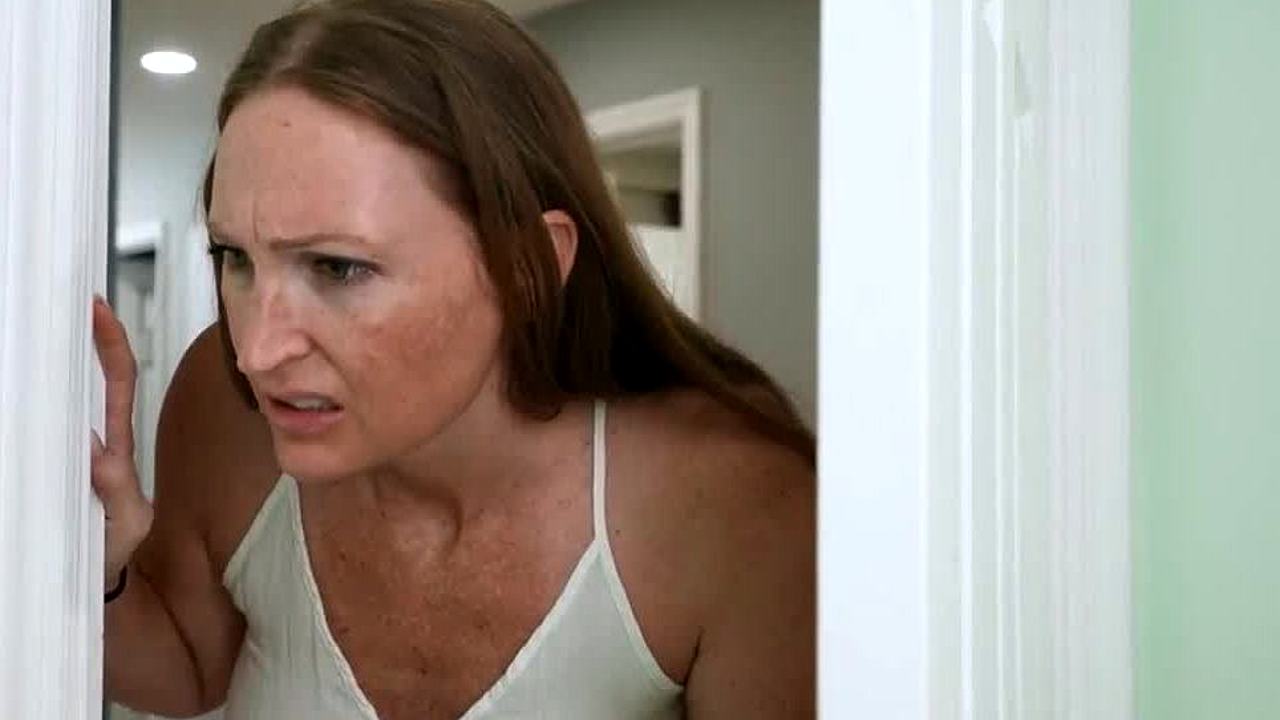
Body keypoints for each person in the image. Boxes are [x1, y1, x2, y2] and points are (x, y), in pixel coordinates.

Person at [92, 0, 814, 717]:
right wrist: (97, 564)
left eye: (338, 267)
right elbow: (188, 668)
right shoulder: (227, 411)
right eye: (235, 257)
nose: (255, 353)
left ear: (528, 270)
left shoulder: (730, 507)